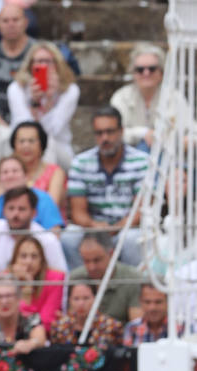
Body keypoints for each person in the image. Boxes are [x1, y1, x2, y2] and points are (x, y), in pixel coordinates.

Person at [64, 107, 149, 269]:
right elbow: (78, 213)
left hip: (128, 228)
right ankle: (81, 289)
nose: (105, 138)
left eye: (110, 132)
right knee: (68, 238)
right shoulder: (80, 163)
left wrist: (117, 227)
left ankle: (133, 289)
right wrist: (95, 226)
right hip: (93, 229)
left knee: (132, 239)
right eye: (99, 133)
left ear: (121, 131)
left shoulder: (142, 161)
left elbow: (142, 209)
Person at [7, 41, 79, 170]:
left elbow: (54, 130)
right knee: (29, 142)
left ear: (57, 64)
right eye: (38, 61)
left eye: (48, 61)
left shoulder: (70, 90)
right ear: (30, 65)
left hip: (59, 148)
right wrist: (35, 102)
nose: (43, 65)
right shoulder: (16, 88)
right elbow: (23, 129)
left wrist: (49, 101)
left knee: (48, 143)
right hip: (23, 146)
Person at [0, 185, 67, 277]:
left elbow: (61, 275)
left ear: (34, 213)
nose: (15, 214)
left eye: (21, 209)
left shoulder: (47, 239)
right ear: (3, 211)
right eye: (11, 208)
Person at [110, 44, 179, 149]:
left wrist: (164, 138)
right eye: (140, 69)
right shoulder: (121, 97)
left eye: (152, 69)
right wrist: (143, 133)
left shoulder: (174, 97)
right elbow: (112, 131)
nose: (146, 73)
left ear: (161, 73)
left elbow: (191, 132)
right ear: (133, 73)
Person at [70, 230, 141, 324]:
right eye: (86, 261)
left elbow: (137, 324)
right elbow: (71, 320)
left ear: (111, 254)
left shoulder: (132, 278)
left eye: (97, 260)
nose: (92, 267)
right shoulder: (76, 277)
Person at [8, 232, 65, 330]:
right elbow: (6, 320)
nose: (28, 262)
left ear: (41, 260)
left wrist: (28, 287)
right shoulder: (6, 279)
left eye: (34, 256)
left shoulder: (55, 279)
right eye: (23, 256)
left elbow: (47, 322)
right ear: (15, 259)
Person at [49, 276, 123, 349]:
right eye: (76, 299)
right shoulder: (59, 327)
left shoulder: (112, 327)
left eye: (86, 298)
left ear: (96, 299)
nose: (81, 303)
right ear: (69, 300)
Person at [11, 118, 66, 209]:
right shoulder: (7, 171)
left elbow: (51, 207)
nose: (26, 146)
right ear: (14, 145)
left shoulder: (55, 172)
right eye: (21, 141)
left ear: (42, 145)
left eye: (31, 141)